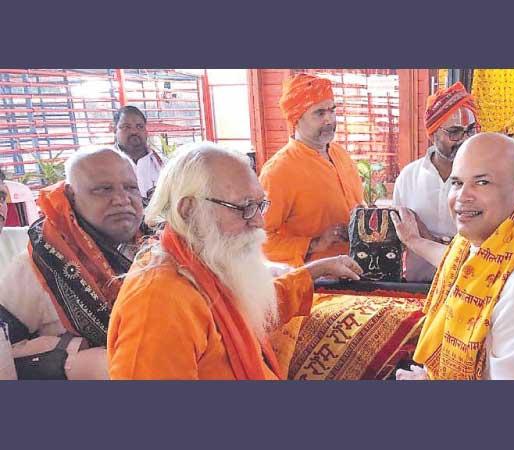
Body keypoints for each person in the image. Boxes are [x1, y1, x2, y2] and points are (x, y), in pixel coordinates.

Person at [107, 142, 363, 380]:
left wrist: (315, 271)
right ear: (189, 210)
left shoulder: (205, 260)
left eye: (259, 205)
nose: (258, 221)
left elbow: (253, 306)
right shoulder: (159, 300)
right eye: (243, 207)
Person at [392, 132, 514, 380]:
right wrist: (413, 241)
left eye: (482, 182)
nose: (462, 197)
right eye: (456, 183)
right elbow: (455, 262)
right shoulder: (489, 248)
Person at [0, 147, 148, 379]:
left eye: (131, 188)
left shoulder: (159, 248)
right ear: (71, 196)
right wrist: (74, 360)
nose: (122, 199)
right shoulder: (38, 265)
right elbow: (6, 352)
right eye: (103, 189)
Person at [259, 73, 363, 267]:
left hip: (357, 272)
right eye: (320, 113)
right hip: (315, 286)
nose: (329, 119)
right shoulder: (278, 171)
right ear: (296, 118)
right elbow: (259, 241)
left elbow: (357, 206)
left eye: (332, 110)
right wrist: (314, 244)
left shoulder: (340, 154)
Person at [393, 82, 478, 281]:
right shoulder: (408, 177)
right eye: (455, 132)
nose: (464, 139)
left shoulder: (484, 179)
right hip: (418, 285)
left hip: (468, 286)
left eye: (471, 130)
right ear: (432, 135)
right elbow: (399, 238)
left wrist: (428, 238)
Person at [113, 105, 164, 200]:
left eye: (139, 126)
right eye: (126, 127)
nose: (134, 131)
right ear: (114, 130)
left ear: (146, 131)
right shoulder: (104, 167)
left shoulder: (164, 164)